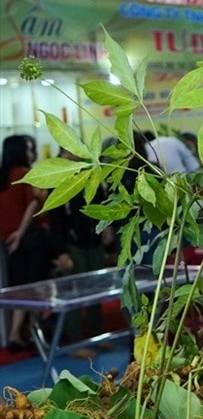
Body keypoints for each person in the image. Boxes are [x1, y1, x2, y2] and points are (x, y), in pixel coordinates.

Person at [48, 147, 114, 343]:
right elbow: (55, 220)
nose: (69, 156)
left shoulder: (90, 175)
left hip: (93, 243)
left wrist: (107, 228)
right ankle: (75, 340)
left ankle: (97, 335)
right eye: (65, 153)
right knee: (74, 293)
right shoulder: (59, 181)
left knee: (96, 291)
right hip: (73, 246)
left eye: (72, 152)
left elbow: (101, 204)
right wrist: (60, 252)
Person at [0, 135, 49, 352]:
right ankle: (21, 333)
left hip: (5, 240)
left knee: (16, 286)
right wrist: (20, 233)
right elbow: (33, 203)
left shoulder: (2, 177)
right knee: (30, 287)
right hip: (27, 238)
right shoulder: (24, 174)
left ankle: (17, 333)